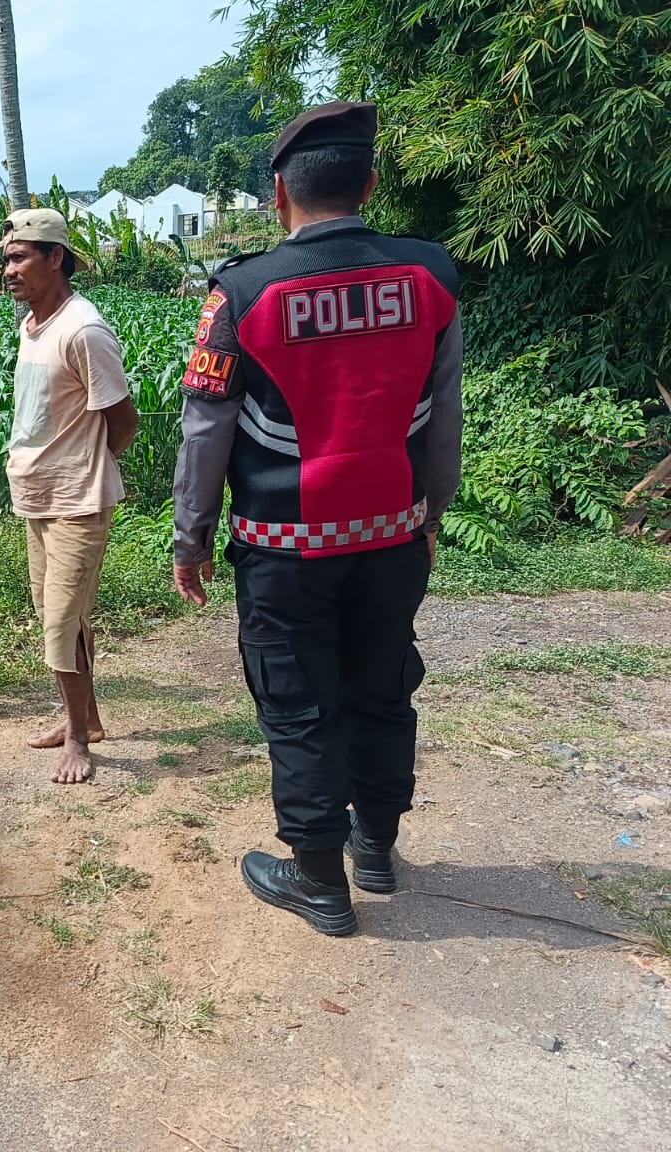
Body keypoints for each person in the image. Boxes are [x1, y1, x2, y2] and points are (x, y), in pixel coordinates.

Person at [170, 102, 463, 937]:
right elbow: (445, 417)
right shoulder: (431, 277)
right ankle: (376, 849)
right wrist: (426, 516)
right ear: (370, 183)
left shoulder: (242, 292)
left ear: (278, 195)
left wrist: (190, 539)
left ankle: (319, 883)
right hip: (394, 536)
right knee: (382, 689)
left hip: (283, 548)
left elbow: (205, 427)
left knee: (297, 705)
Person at [0, 210, 139, 784]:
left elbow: (123, 420)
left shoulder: (83, 330)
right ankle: (88, 718)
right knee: (61, 616)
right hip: (37, 495)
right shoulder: (33, 324)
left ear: (56, 258)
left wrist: (88, 466)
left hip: (76, 499)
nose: (9, 269)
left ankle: (78, 741)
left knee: (60, 621)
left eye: (20, 257)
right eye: (6, 258)